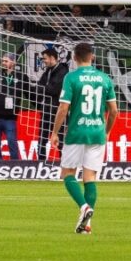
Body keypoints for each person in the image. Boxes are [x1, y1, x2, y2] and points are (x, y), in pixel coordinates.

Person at [45, 41, 117, 235]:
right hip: (97, 132)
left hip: (76, 132)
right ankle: (87, 225)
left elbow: (63, 108)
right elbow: (114, 111)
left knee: (67, 174)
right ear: (92, 57)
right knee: (90, 178)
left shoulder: (71, 77)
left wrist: (54, 132)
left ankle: (84, 206)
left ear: (74, 58)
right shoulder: (104, 78)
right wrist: (107, 131)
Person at [35, 45, 68, 160]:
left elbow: (53, 90)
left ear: (52, 58)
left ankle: (65, 164)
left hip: (58, 111)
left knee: (61, 140)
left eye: (44, 58)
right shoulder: (48, 71)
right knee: (42, 139)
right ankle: (40, 164)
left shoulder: (63, 71)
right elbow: (40, 86)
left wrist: (43, 88)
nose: (43, 61)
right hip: (47, 110)